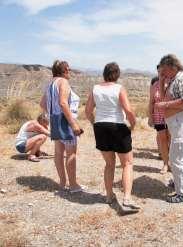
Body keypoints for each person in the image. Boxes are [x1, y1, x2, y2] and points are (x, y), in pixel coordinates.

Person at [85, 62, 140, 211]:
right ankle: (127, 199)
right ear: (117, 74)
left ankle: (109, 196)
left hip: (101, 127)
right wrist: (133, 125)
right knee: (127, 164)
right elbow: (128, 110)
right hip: (117, 126)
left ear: (104, 73)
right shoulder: (119, 89)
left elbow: (88, 111)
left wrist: (94, 123)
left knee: (109, 164)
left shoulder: (95, 89)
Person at [155, 54, 183, 203]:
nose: (163, 74)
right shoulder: (173, 79)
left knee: (176, 156)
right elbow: (162, 97)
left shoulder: (182, 78)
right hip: (177, 122)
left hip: (182, 121)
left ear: (173, 67)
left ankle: (182, 193)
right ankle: (180, 182)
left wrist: (165, 106)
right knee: (182, 154)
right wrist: (161, 81)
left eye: (164, 71)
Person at [40, 60, 84, 193]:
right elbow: (63, 103)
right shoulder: (63, 82)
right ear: (64, 71)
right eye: (68, 69)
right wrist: (73, 124)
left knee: (59, 153)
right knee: (71, 153)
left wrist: (54, 113)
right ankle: (73, 185)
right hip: (65, 120)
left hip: (55, 119)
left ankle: (62, 183)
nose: (69, 72)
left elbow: (42, 104)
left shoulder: (50, 84)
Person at [148, 71, 171, 174]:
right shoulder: (155, 85)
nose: (162, 74)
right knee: (163, 140)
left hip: (171, 115)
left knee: (171, 139)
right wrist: (150, 117)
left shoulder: (172, 83)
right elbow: (151, 102)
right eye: (160, 72)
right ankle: (166, 164)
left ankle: (173, 163)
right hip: (158, 116)